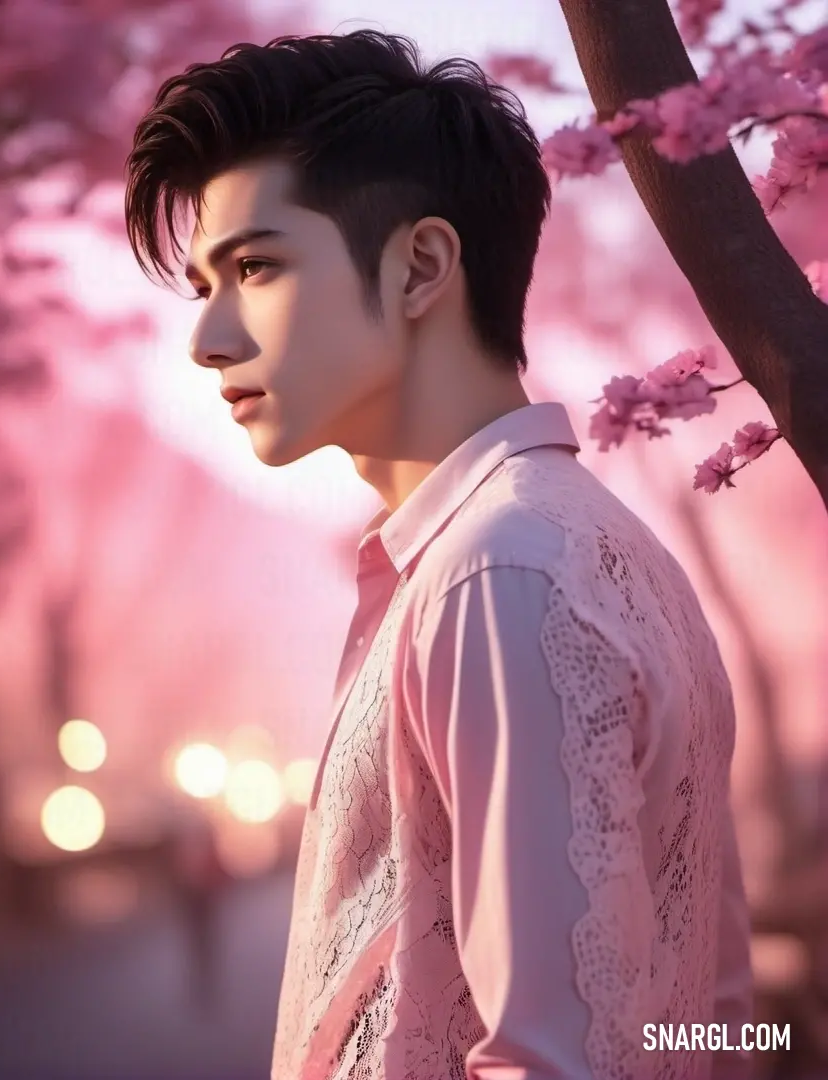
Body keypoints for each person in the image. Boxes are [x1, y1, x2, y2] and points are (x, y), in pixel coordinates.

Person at [122, 28, 753, 1080]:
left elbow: (557, 1062)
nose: (210, 337)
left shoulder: (499, 574)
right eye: (205, 285)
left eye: (259, 266)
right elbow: (724, 1024)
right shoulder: (576, 551)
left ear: (421, 266)